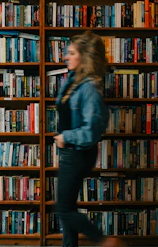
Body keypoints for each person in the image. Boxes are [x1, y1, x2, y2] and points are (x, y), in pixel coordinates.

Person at [54, 30, 123, 247]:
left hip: (78, 153)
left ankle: (104, 240)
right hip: (69, 152)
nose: (66, 57)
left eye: (72, 53)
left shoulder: (90, 88)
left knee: (63, 208)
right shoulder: (73, 79)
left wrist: (66, 136)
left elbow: (91, 132)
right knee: (68, 209)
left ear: (84, 56)